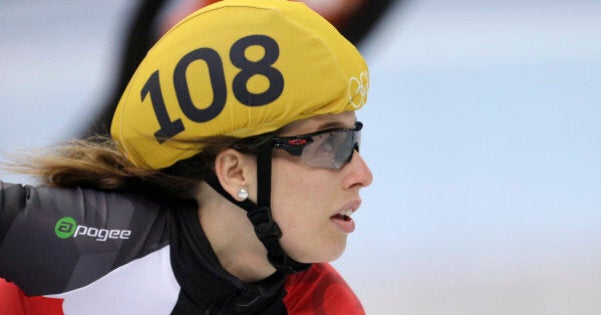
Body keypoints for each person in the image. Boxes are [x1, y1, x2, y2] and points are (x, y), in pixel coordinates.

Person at [0, 0, 373, 314]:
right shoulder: (90, 241)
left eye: (354, 143)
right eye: (330, 144)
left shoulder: (324, 306)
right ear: (234, 172)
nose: (363, 173)